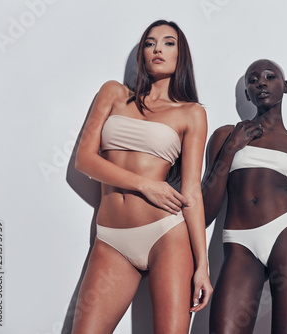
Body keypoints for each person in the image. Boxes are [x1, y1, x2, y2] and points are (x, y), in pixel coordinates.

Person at [72, 20, 212, 333]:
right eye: (150, 43)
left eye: (168, 42)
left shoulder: (191, 113)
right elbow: (84, 160)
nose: (158, 48)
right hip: (111, 240)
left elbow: (191, 192)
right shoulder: (113, 93)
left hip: (166, 235)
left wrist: (202, 265)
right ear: (143, 54)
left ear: (181, 55)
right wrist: (146, 184)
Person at [203, 59, 287, 334]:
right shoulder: (225, 135)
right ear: (247, 94)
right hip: (239, 244)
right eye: (252, 80)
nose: (261, 83)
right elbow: (206, 211)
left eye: (270, 76)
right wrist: (231, 148)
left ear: (285, 86)